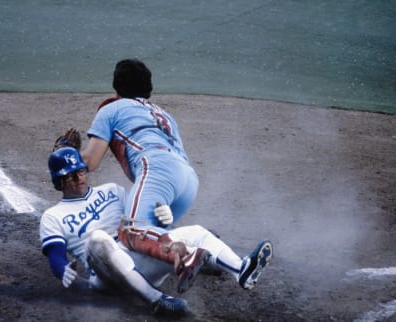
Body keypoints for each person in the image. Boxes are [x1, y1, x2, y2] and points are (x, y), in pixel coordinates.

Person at [40, 147, 273, 315]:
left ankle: (240, 269)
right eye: (70, 176)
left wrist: (164, 218)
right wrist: (61, 269)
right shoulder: (53, 216)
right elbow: (55, 254)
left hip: (141, 261)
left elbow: (142, 223)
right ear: (59, 182)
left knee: (197, 231)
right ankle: (158, 301)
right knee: (98, 239)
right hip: (105, 275)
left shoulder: (112, 191)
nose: (78, 178)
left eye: (80, 172)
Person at [79, 59, 208, 290]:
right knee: (152, 242)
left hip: (157, 171)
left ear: (116, 86)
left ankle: (190, 251)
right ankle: (210, 254)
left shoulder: (111, 109)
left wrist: (65, 153)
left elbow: (89, 162)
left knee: (130, 236)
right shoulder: (164, 115)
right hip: (187, 180)